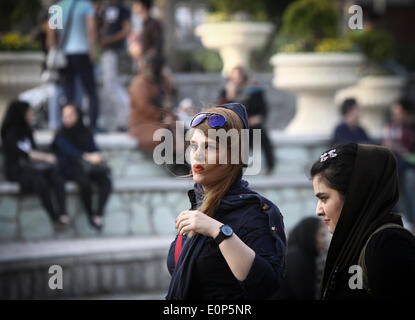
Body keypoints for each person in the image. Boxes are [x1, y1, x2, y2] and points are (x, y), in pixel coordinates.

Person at [166, 103, 286, 300]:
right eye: (194, 145)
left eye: (209, 146)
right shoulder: (199, 207)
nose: (197, 154)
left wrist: (220, 232)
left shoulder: (255, 212)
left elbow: (266, 284)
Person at [310, 143, 415, 299]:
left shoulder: (386, 245)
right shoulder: (353, 244)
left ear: (355, 196)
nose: (318, 211)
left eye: (324, 198)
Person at [1, 100, 69, 228]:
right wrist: (45, 157)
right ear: (21, 114)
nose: (31, 115)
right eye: (29, 113)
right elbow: (23, 154)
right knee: (40, 182)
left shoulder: (27, 130)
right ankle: (54, 217)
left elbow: (34, 150)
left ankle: (63, 213)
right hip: (18, 170)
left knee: (57, 178)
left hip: (33, 167)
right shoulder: (9, 133)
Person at [52, 104, 112, 230]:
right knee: (85, 184)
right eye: (64, 116)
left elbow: (93, 147)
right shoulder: (60, 134)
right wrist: (88, 156)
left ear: (78, 116)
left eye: (70, 115)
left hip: (88, 167)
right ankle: (90, 215)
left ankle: (99, 214)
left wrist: (98, 156)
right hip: (70, 168)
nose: (66, 118)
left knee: (106, 182)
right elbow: (69, 152)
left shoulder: (85, 131)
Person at [49, 0, 101, 130]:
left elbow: (51, 33)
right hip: (82, 52)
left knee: (68, 92)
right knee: (91, 90)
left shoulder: (58, 8)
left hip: (64, 54)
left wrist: (53, 50)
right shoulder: (85, 6)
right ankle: (92, 124)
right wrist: (93, 50)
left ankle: (69, 124)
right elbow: (91, 28)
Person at [218, 66, 275, 175]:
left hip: (251, 124)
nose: (236, 80)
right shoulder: (226, 91)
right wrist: (230, 96)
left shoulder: (254, 90)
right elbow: (222, 110)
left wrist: (258, 118)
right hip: (234, 124)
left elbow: (262, 109)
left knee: (261, 134)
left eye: (238, 77)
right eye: (234, 77)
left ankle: (270, 166)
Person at [274, 217, 328, 300]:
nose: (325, 240)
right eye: (322, 235)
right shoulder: (297, 258)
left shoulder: (304, 256)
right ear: (310, 235)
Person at [98, 0, 131, 131]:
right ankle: (123, 118)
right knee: (111, 85)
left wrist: (109, 40)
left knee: (112, 85)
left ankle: (126, 118)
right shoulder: (105, 9)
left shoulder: (122, 9)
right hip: (107, 52)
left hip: (116, 51)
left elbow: (126, 30)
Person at [382, 99, 415, 228]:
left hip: (409, 164)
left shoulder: (411, 128)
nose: (395, 116)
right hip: (399, 164)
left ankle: (410, 219)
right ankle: (398, 216)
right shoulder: (391, 127)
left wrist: (401, 150)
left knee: (408, 177)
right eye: (393, 113)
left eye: (398, 113)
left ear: (407, 113)